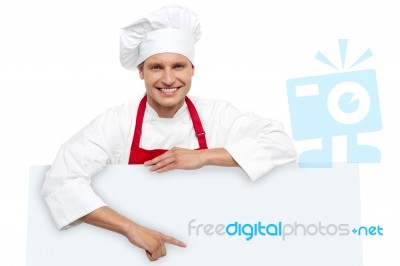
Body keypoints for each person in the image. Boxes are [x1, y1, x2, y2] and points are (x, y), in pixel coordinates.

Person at [41, 5, 297, 261]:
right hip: (129, 255)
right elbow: (60, 181)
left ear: (192, 69)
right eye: (156, 67)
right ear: (140, 71)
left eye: (178, 66)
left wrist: (204, 156)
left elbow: (280, 143)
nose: (168, 79)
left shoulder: (217, 115)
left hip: (209, 249)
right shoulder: (118, 121)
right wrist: (131, 229)